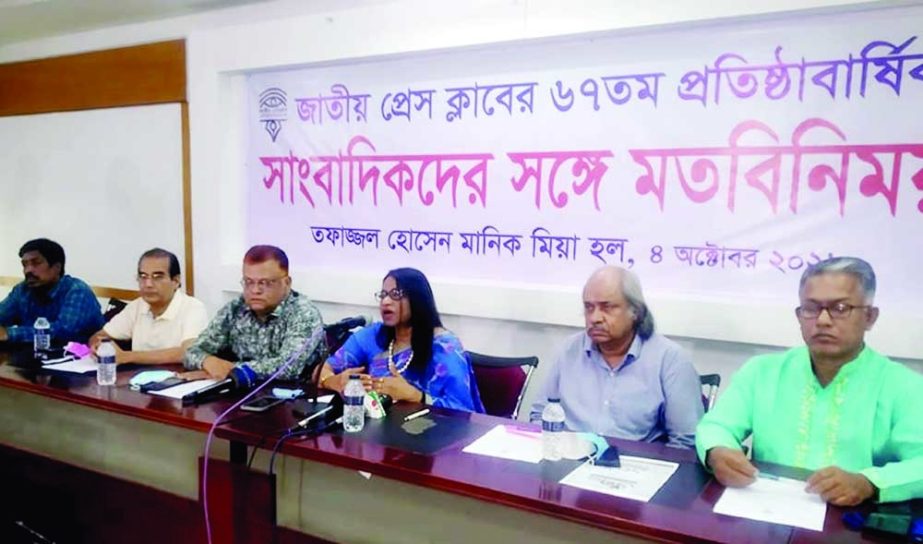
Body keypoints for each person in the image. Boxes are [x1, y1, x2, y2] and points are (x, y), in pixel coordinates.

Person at [696, 256, 923, 505]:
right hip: (765, 514)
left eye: (840, 308)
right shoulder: (762, 372)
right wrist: (717, 450)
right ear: (799, 315)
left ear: (870, 317)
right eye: (811, 308)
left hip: (850, 524)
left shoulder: (904, 387)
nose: (823, 320)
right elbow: (716, 426)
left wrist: (869, 482)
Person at [530, 266, 703, 448]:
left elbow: (685, 442)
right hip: (567, 462)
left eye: (608, 307)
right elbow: (540, 414)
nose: (595, 318)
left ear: (635, 312)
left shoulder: (670, 360)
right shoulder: (568, 350)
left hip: (636, 467)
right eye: (589, 308)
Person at [317, 267, 484, 413]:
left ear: (417, 300)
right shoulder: (372, 336)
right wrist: (333, 381)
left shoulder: (445, 347)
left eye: (395, 295)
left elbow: (463, 412)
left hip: (429, 440)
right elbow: (322, 371)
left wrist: (415, 396)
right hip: (378, 436)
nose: (386, 302)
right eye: (383, 295)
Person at [183, 245, 324, 381]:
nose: (255, 290)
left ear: (287, 283)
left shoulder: (303, 313)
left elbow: (287, 368)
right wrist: (207, 361)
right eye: (249, 282)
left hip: (293, 397)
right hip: (239, 391)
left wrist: (231, 369)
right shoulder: (236, 308)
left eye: (265, 283)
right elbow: (191, 352)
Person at [89, 248, 207, 364]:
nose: (148, 284)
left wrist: (126, 356)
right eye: (143, 276)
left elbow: (189, 352)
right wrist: (100, 346)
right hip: (138, 379)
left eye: (157, 277)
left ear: (175, 281)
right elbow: (99, 336)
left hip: (179, 379)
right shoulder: (137, 306)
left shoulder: (193, 308)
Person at [0, 238, 103, 344]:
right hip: (34, 354)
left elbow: (64, 331)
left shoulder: (77, 290)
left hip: (78, 356)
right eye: (25, 264)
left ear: (57, 267)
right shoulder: (23, 290)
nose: (28, 270)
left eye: (36, 263)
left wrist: (8, 334)